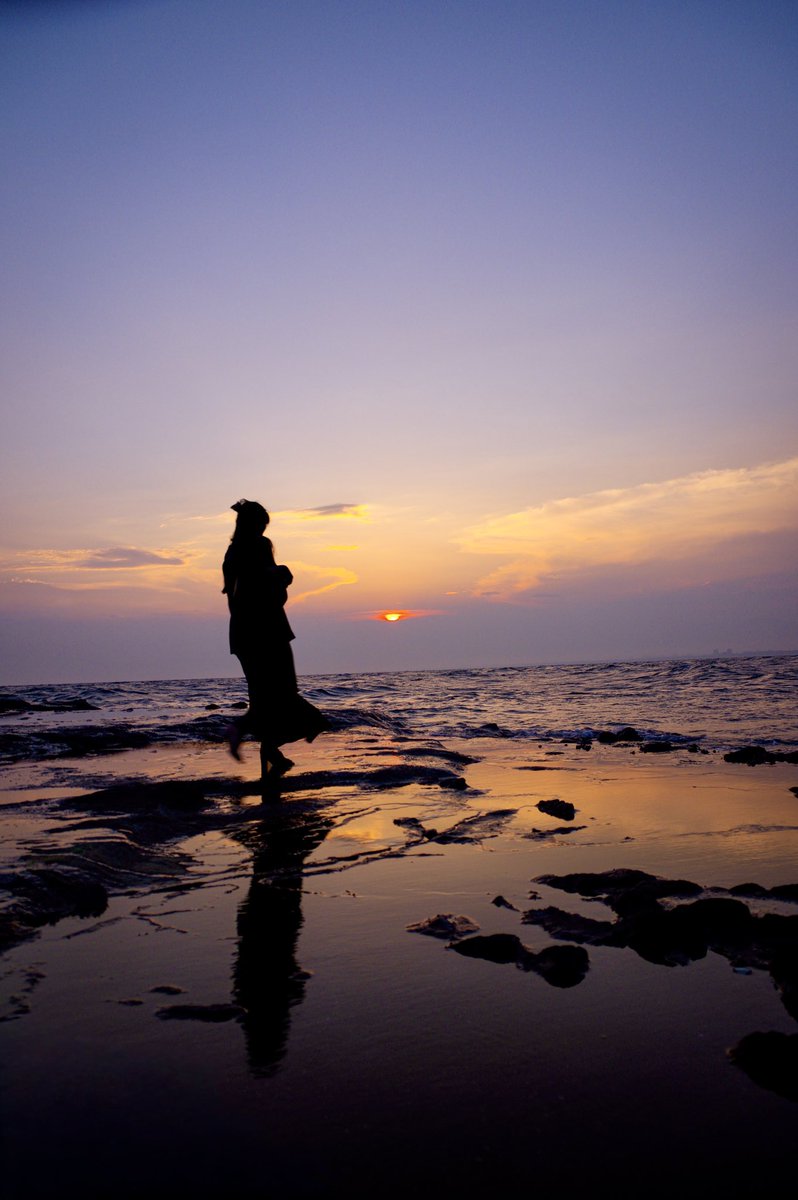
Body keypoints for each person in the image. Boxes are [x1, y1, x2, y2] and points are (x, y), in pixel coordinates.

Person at [222, 499, 328, 779]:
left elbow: (235, 596)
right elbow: (265, 586)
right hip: (267, 631)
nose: (263, 530)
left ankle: (269, 753)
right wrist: (280, 575)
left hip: (244, 634)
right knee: (281, 694)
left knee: (263, 698)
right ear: (255, 526)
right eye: (261, 525)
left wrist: (276, 577)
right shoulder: (257, 547)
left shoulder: (232, 553)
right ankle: (244, 731)